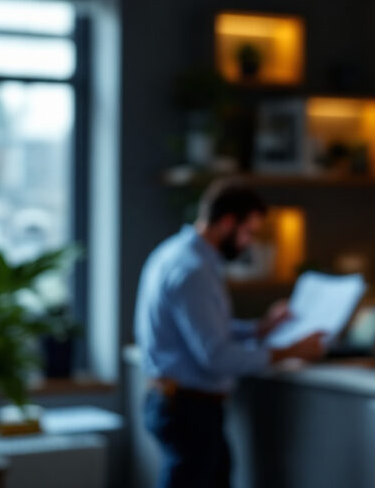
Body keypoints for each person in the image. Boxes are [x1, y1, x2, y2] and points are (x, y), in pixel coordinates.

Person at [134, 181, 325, 488]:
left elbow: (204, 329)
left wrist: (259, 329)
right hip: (189, 409)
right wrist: (290, 351)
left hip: (180, 403)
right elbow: (216, 356)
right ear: (226, 223)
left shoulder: (176, 254)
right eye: (248, 232)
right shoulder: (193, 269)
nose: (249, 243)